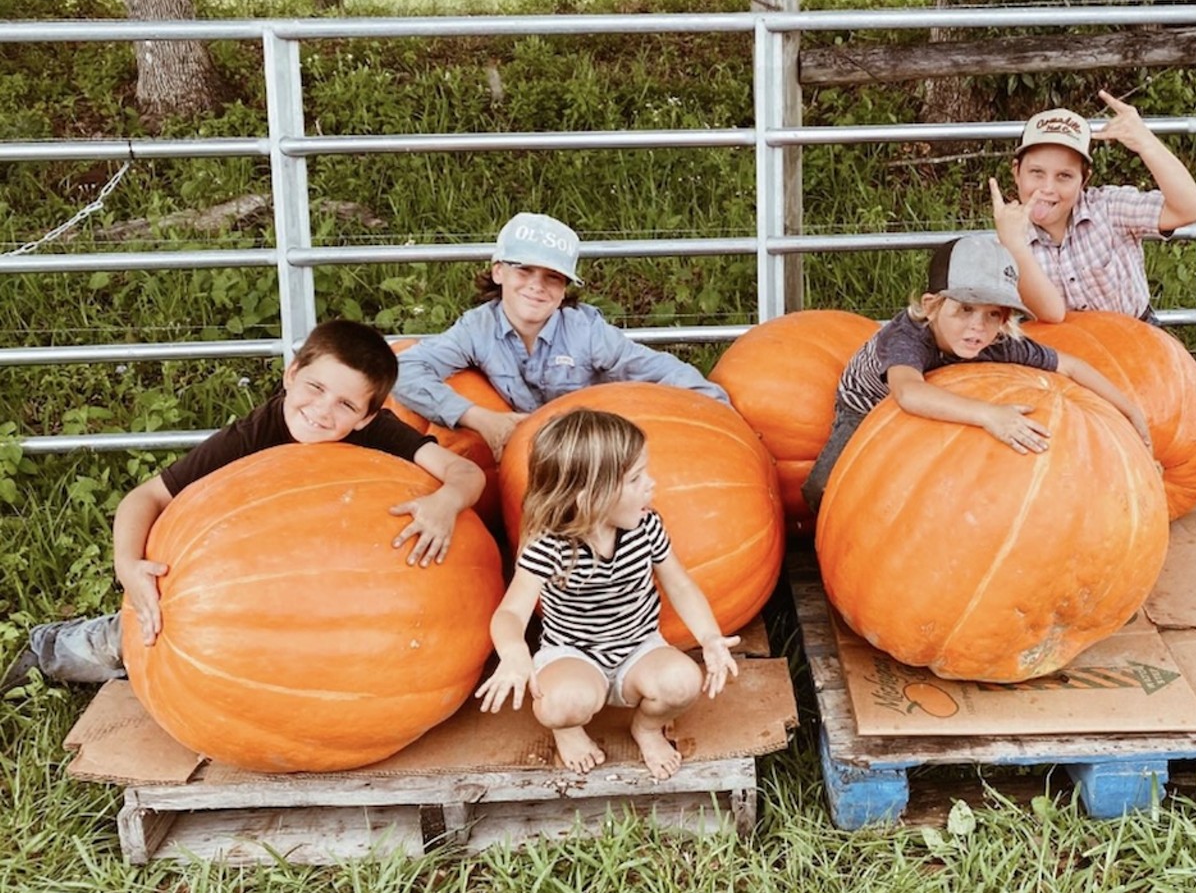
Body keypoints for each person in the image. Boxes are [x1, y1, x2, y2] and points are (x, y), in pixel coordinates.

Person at [1, 320, 485, 696]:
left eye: (344, 405)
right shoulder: (254, 435)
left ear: (366, 418)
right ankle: (50, 650)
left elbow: (468, 474)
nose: (322, 411)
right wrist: (128, 566)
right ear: (291, 374)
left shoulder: (380, 434)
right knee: (146, 631)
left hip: (325, 591)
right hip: (234, 585)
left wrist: (446, 501)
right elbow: (142, 498)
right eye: (315, 388)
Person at [997, 90, 1196, 469]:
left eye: (1064, 176)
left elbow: (1190, 207)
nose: (1048, 188)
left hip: (1140, 346)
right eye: (1036, 173)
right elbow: (1050, 312)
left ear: (1085, 179)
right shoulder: (1007, 239)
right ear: (1016, 172)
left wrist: (1144, 141)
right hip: (1066, 362)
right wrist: (1014, 245)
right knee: (1085, 447)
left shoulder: (1108, 208)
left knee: (1190, 435)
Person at [474, 408, 740, 781]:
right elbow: (511, 613)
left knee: (683, 683)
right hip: (574, 652)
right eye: (635, 479)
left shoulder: (646, 526)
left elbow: (679, 583)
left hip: (640, 648)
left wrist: (710, 637)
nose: (651, 484)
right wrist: (515, 654)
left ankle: (646, 728)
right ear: (589, 498)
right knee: (561, 705)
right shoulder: (549, 546)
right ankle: (567, 731)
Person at [801, 235, 1151, 512]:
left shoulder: (996, 341)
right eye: (964, 309)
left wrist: (1129, 410)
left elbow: (1071, 366)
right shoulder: (908, 337)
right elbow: (908, 394)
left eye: (992, 314)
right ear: (931, 306)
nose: (977, 327)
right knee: (825, 484)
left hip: (942, 397)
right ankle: (830, 539)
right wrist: (989, 414)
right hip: (872, 405)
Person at [393, 212, 730, 461]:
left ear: (565, 286)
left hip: (593, 458)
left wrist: (724, 416)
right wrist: (479, 418)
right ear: (499, 271)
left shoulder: (586, 332)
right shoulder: (477, 329)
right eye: (524, 269)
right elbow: (405, 369)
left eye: (553, 277)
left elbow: (661, 370)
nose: (537, 286)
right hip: (521, 459)